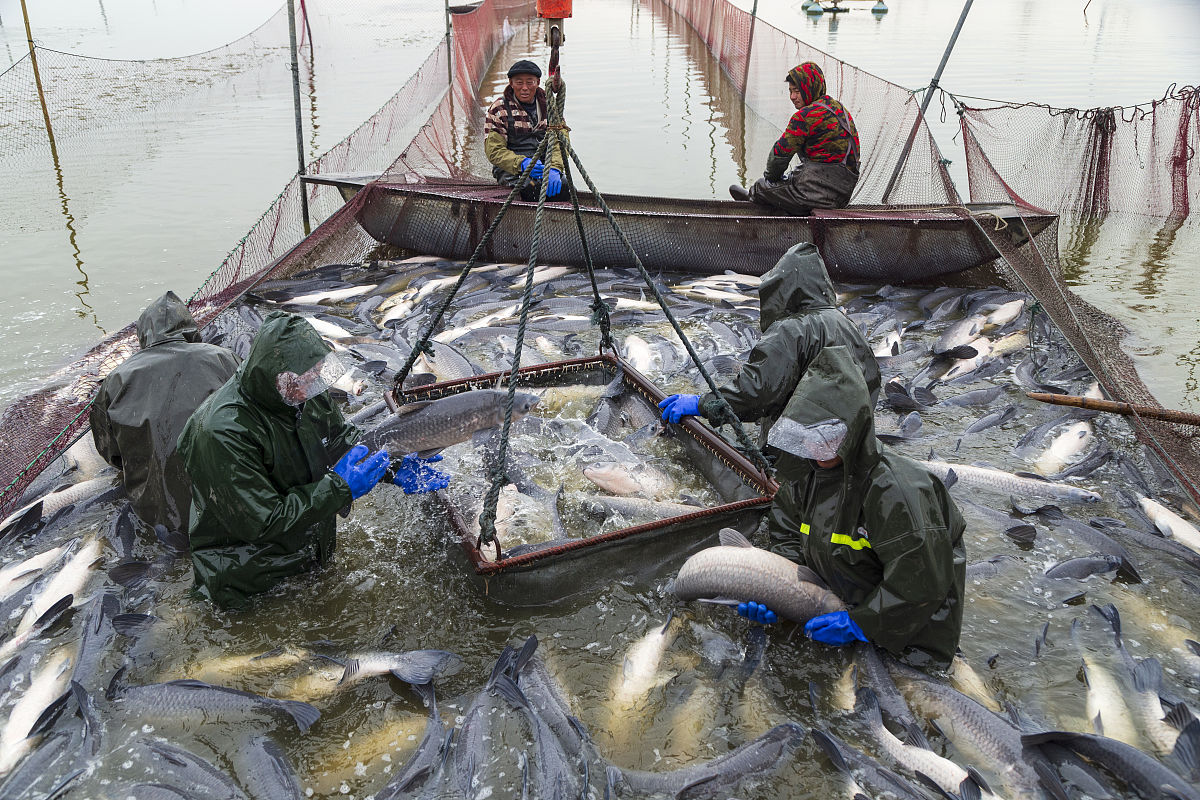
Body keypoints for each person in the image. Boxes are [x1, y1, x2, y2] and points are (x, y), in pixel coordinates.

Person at [176, 311, 449, 609]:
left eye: (317, 373)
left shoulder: (303, 393)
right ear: (272, 376)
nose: (310, 386)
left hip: (305, 554)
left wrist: (389, 463)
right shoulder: (220, 432)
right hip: (247, 578)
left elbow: (339, 439)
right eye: (301, 380)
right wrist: (338, 487)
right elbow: (263, 521)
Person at [733, 347, 965, 666]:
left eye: (829, 433)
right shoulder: (804, 475)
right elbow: (786, 537)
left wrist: (863, 624)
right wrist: (776, 592)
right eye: (807, 433)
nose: (816, 444)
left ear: (854, 426)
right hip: (835, 607)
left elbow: (922, 583)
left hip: (912, 636)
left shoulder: (897, 489)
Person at [657, 242, 880, 438]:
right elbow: (870, 381)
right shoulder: (848, 325)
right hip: (844, 446)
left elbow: (757, 392)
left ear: (782, 288)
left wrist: (702, 404)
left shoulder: (790, 329)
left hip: (802, 451)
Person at [90, 291, 239, 532]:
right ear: (189, 328)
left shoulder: (114, 380)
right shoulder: (223, 358)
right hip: (228, 503)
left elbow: (111, 453)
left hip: (158, 517)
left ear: (144, 336)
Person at [729, 61, 860, 216]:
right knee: (789, 181)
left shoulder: (804, 117)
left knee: (761, 186)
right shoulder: (839, 109)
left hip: (815, 194)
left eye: (797, 91)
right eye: (790, 91)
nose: (792, 97)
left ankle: (753, 196)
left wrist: (771, 180)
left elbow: (778, 157)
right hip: (842, 195)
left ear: (809, 88)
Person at [485, 59, 567, 202]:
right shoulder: (499, 109)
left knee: (564, 187)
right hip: (512, 169)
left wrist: (554, 168)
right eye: (519, 82)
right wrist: (522, 163)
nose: (524, 88)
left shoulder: (549, 106)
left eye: (530, 82)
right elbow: (494, 151)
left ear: (538, 82)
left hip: (543, 165)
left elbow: (561, 141)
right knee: (531, 188)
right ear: (511, 83)